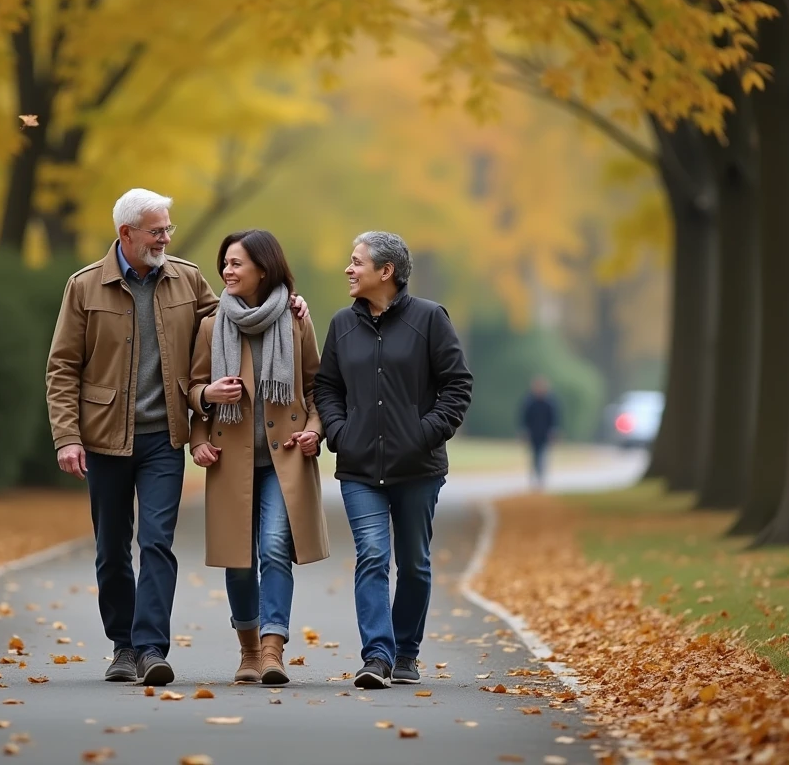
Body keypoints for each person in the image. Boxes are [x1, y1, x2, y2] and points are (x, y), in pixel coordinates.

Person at [45, 188, 307, 687]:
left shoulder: (187, 279)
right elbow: (61, 368)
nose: (167, 237)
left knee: (157, 543)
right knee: (111, 548)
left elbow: (235, 317)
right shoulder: (84, 287)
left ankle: (150, 648)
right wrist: (67, 437)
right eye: (157, 230)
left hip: (164, 436)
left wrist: (284, 303)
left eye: (169, 228)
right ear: (127, 234)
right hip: (103, 439)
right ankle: (122, 645)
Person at [315, 231, 473, 690]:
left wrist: (424, 434)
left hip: (417, 469)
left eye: (356, 261)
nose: (349, 269)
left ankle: (406, 652)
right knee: (372, 556)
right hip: (360, 468)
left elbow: (457, 386)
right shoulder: (342, 325)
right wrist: (342, 433)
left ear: (385, 272)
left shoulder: (430, 319)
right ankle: (377, 657)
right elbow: (327, 387)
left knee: (414, 562)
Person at [188, 230, 329, 686]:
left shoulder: (295, 321)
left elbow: (315, 388)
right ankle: (248, 651)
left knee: (273, 548)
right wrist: (200, 431)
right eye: (224, 263)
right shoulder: (212, 325)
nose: (227, 271)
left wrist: (313, 430)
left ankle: (272, 650)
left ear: (262, 270)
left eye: (236, 264)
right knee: (238, 557)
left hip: (282, 459)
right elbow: (191, 391)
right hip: (230, 459)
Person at [519, 376, 561, 490]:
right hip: (533, 434)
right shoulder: (530, 402)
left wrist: (553, 432)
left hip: (544, 434)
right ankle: (535, 478)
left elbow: (554, 419)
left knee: (542, 456)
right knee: (534, 456)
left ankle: (541, 478)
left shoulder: (549, 403)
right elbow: (524, 418)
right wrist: (524, 432)